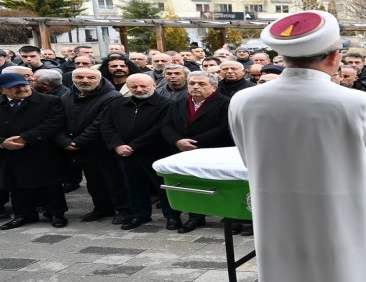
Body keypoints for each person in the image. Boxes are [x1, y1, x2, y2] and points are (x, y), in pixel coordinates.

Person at [229, 10, 366, 282]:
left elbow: (248, 154)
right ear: (335, 56)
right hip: (347, 215)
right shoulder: (359, 103)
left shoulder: (245, 100)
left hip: (278, 214)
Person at [160, 71, 234, 233]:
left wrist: (193, 142)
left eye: (201, 84)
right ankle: (191, 216)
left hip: (210, 151)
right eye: (192, 83)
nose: (195, 87)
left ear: (213, 87)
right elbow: (166, 125)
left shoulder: (225, 103)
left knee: (208, 185)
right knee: (188, 184)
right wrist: (177, 141)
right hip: (181, 150)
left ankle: (225, 216)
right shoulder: (178, 103)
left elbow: (223, 128)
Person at [101, 74, 174, 230]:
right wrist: (117, 145)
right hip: (124, 153)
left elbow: (159, 128)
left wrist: (133, 146)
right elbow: (107, 125)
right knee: (133, 186)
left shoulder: (167, 104)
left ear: (154, 85)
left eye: (143, 86)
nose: (139, 89)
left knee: (162, 187)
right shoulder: (117, 103)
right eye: (134, 87)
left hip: (155, 153)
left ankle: (172, 216)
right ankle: (140, 215)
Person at [55, 68, 129, 223]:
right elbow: (59, 120)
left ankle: (124, 210)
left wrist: (78, 142)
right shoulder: (67, 95)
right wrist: (64, 141)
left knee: (114, 181)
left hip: (103, 147)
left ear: (99, 79)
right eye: (79, 77)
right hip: (81, 148)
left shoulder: (112, 96)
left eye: (91, 77)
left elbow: (100, 123)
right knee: (94, 181)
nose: (85, 80)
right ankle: (102, 208)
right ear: (72, 79)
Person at [0, 73, 68, 230]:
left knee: (51, 184)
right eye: (15, 87)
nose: (22, 89)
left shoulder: (49, 101)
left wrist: (25, 138)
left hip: (42, 150)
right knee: (17, 185)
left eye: (24, 85)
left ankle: (56, 213)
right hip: (10, 153)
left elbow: (54, 123)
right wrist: (2, 142)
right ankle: (23, 214)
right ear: (2, 90)